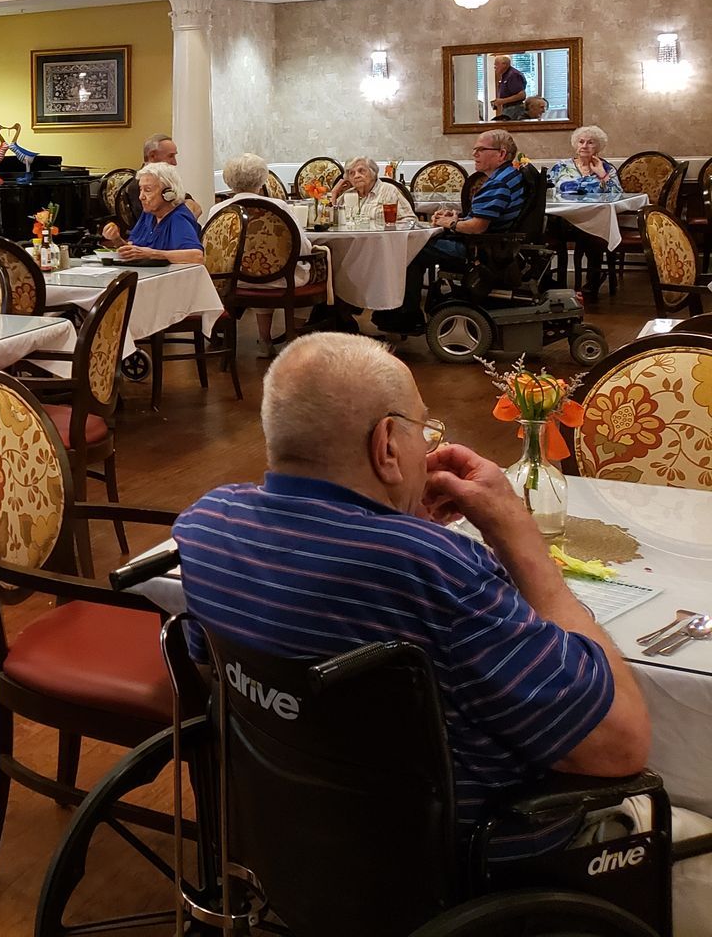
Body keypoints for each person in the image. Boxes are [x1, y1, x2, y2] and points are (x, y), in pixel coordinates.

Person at [174, 333, 650, 861]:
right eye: (424, 429)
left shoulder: (206, 524)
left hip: (297, 843)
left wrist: (395, 518)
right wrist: (517, 533)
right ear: (386, 445)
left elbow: (214, 678)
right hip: (464, 863)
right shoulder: (433, 568)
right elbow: (620, 747)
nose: (428, 446)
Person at [376, 130, 523, 336]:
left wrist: (451, 223)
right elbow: (483, 220)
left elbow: (478, 227)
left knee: (410, 248)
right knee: (416, 243)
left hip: (480, 251)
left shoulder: (498, 183)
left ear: (501, 154)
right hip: (490, 244)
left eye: (481, 149)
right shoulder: (510, 176)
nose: (474, 154)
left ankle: (406, 316)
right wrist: (457, 219)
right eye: (474, 149)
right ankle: (403, 311)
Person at [207, 152, 316, 355]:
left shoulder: (219, 210)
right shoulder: (279, 207)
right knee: (307, 270)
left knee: (261, 271)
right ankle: (294, 341)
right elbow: (301, 247)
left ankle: (265, 340)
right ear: (262, 179)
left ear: (228, 180)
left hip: (235, 282)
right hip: (282, 281)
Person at [548, 126, 622, 298]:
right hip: (562, 220)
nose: (585, 146)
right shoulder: (561, 167)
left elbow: (617, 195)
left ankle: (593, 282)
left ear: (598, 147)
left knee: (594, 235)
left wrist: (602, 175)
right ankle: (555, 285)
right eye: (581, 142)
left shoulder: (606, 168)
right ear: (576, 144)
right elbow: (547, 190)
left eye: (590, 142)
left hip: (592, 219)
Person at [102, 162, 203, 263]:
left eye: (148, 190)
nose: (141, 197)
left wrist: (153, 254)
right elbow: (135, 252)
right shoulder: (149, 214)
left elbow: (196, 256)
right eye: (141, 189)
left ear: (168, 193)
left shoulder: (178, 217)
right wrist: (116, 239)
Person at [333, 155, 416, 228]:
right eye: (352, 173)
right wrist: (334, 193)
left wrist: (388, 229)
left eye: (361, 171)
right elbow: (331, 221)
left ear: (373, 173)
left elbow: (410, 221)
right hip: (349, 243)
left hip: (382, 242)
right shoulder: (348, 195)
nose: (356, 176)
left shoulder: (389, 191)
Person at [140, 133, 203, 218]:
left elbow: (196, 208)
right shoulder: (139, 186)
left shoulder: (165, 180)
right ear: (152, 156)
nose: (175, 163)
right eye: (170, 156)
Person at [491, 54, 529, 120]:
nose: (495, 67)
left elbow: (522, 95)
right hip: (509, 108)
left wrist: (502, 101)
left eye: (496, 64)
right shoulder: (505, 75)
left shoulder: (513, 75)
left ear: (504, 64)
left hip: (514, 109)